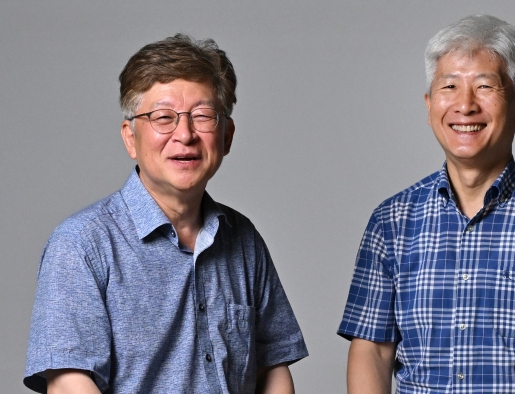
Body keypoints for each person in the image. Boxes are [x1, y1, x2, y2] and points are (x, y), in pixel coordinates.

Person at [338, 15, 515, 394]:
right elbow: (372, 350)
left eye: (485, 86)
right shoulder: (392, 220)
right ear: (429, 106)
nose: (465, 105)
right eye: (449, 86)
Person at [24, 34, 308, 394]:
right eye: (163, 118)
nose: (185, 134)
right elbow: (69, 384)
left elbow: (273, 370)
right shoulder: (81, 244)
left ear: (227, 136)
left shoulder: (244, 238)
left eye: (203, 116)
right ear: (130, 137)